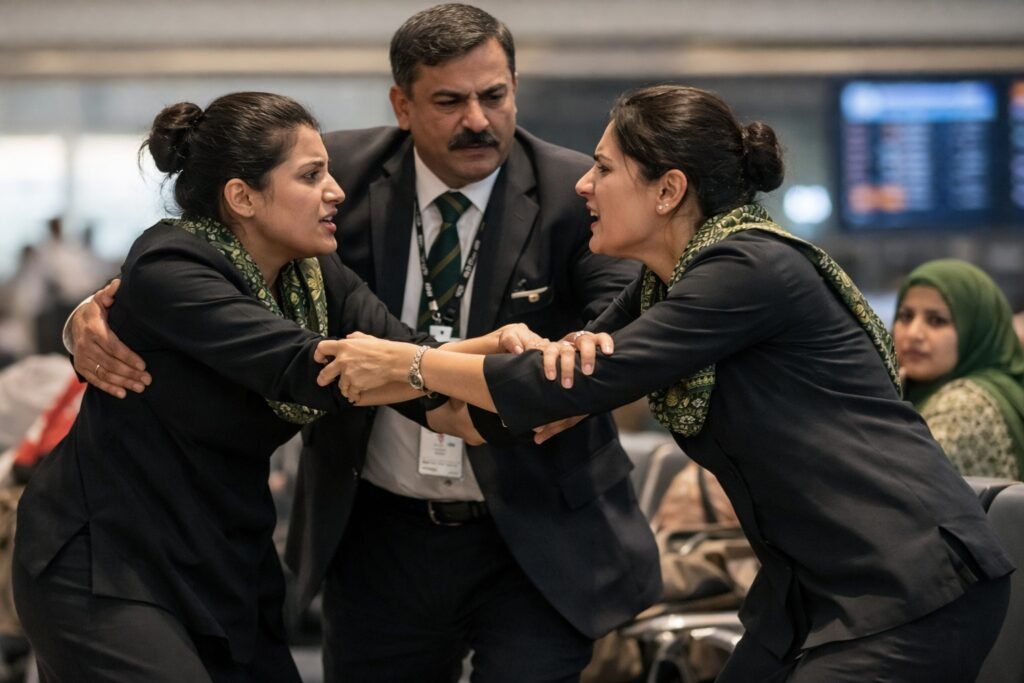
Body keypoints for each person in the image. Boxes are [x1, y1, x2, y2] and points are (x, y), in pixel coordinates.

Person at [320, 84, 1015, 682]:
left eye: (602, 167)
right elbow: (523, 404)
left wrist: (406, 361)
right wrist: (405, 374)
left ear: (669, 189)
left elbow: (558, 388)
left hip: (907, 583)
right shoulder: (661, 285)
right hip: (808, 590)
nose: (582, 186)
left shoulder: (746, 269)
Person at [61, 5, 661, 682]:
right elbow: (198, 251)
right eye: (449, 100)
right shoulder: (324, 175)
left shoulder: (573, 191)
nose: (478, 119)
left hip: (534, 524)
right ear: (401, 104)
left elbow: (624, 322)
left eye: (495, 95)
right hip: (371, 529)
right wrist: (92, 309)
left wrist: (529, 365)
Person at [12, 91, 523, 683]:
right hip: (107, 561)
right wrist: (489, 361)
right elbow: (315, 369)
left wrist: (522, 356)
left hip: (221, 558)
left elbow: (417, 365)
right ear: (242, 196)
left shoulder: (316, 276)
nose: (336, 191)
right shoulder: (171, 267)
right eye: (312, 176)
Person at [893, 258, 1024, 479]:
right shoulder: (912, 390)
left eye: (936, 320)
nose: (914, 333)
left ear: (977, 329)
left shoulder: (967, 406)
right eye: (906, 316)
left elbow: (890, 480)